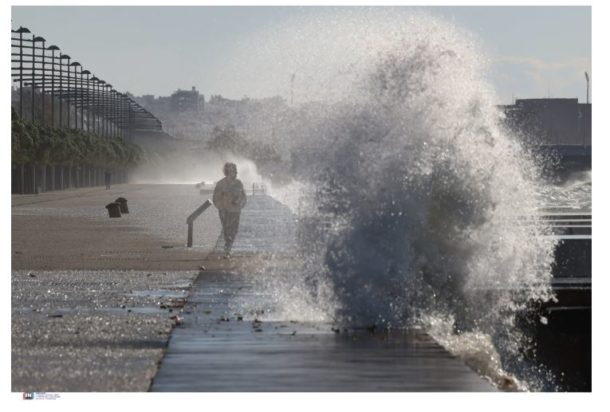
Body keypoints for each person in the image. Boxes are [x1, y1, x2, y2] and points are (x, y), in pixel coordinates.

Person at [212, 162, 247, 257]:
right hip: (225, 211)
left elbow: (243, 196)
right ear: (226, 172)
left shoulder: (239, 183)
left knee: (234, 230)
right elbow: (215, 198)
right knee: (227, 230)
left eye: (234, 170)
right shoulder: (221, 184)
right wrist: (221, 207)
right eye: (231, 171)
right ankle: (227, 248)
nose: (234, 172)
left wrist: (239, 203)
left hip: (235, 211)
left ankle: (229, 246)